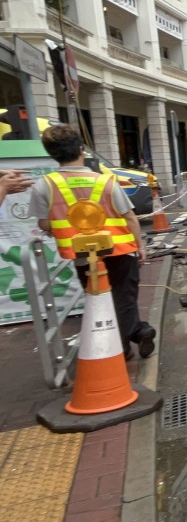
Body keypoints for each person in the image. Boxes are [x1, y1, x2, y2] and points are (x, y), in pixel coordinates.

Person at [29, 125, 156, 359]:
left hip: (81, 255)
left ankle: (128, 342)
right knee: (124, 297)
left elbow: (45, 224)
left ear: (51, 154)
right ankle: (134, 334)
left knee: (99, 298)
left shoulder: (43, 186)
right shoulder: (105, 182)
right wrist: (141, 247)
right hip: (121, 250)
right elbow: (129, 217)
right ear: (81, 149)